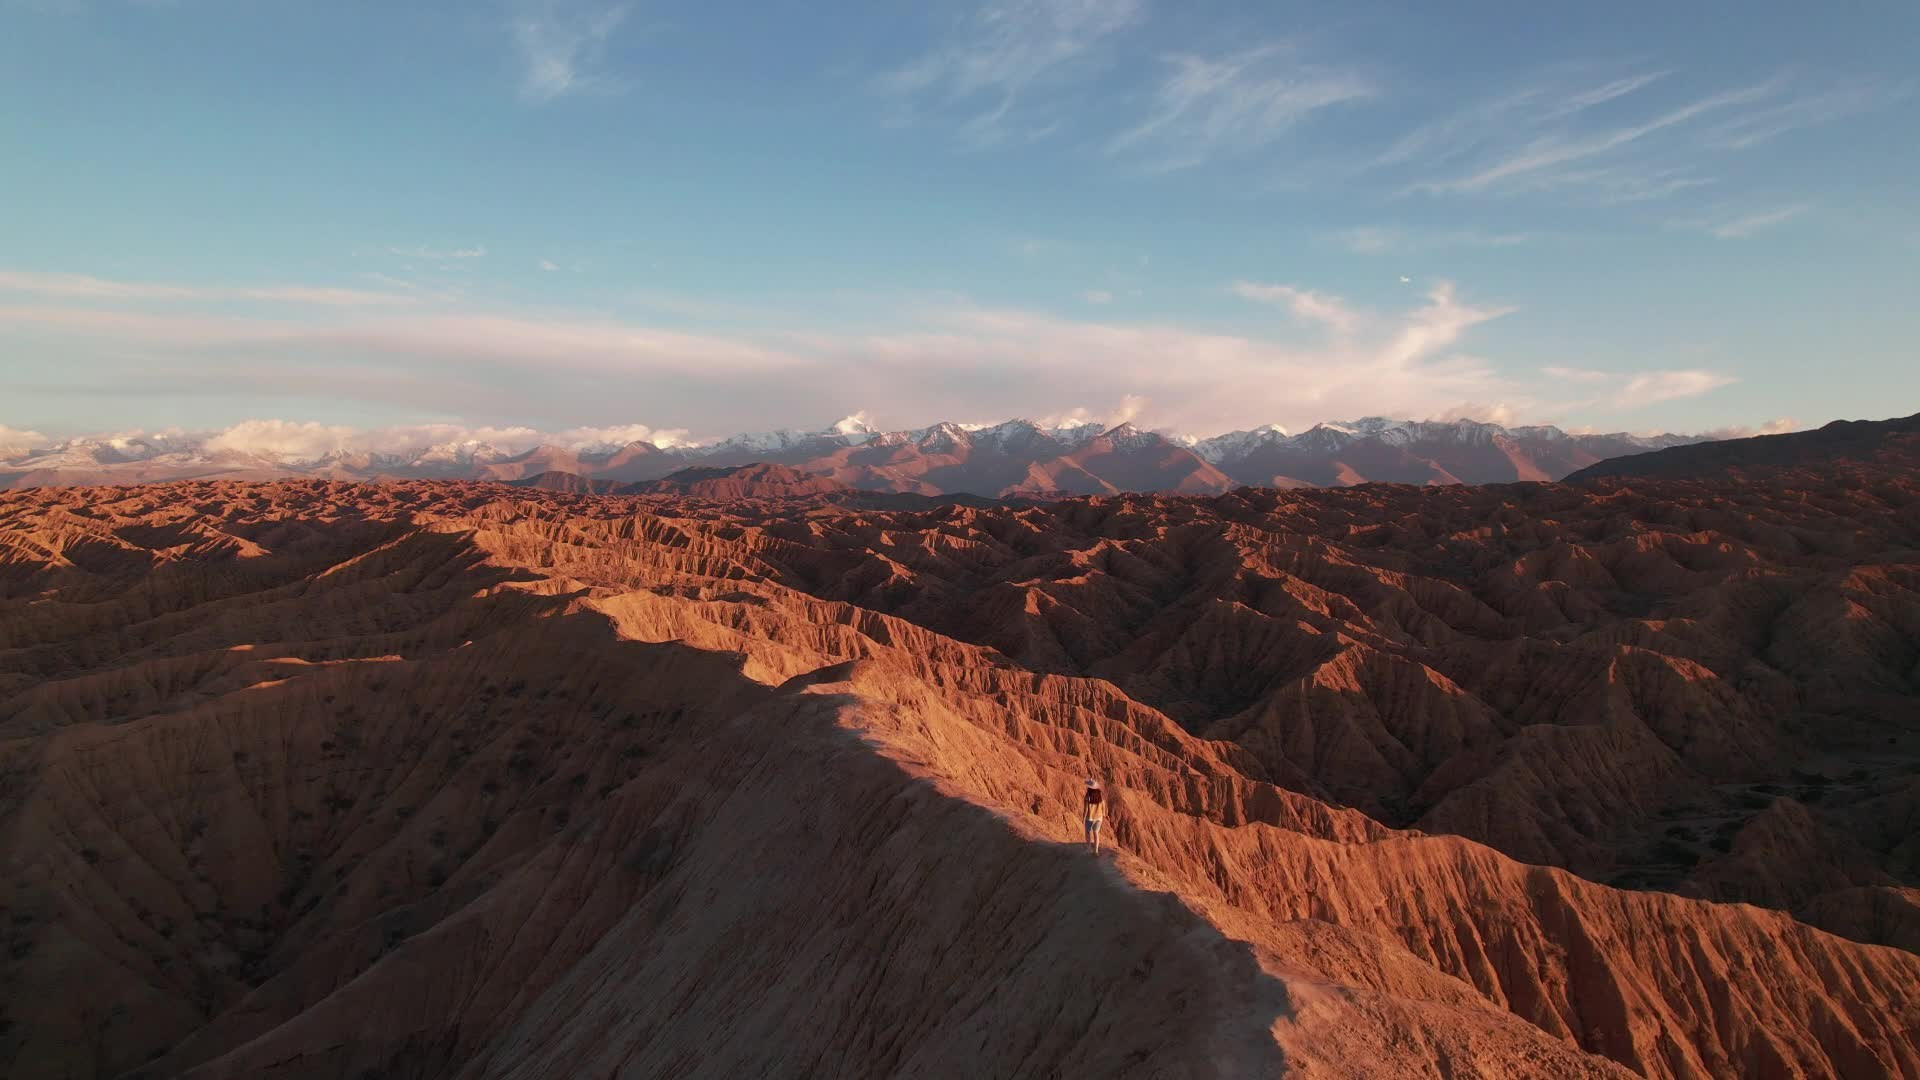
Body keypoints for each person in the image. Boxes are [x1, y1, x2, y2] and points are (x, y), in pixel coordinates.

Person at [1082, 778, 1106, 852]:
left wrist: (1083, 818)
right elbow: (1103, 805)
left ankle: (1089, 847)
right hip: (1099, 817)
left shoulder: (1087, 797)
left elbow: (1086, 809)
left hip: (1090, 818)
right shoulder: (1100, 796)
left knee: (1088, 832)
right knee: (1096, 833)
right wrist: (1104, 814)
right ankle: (1096, 850)